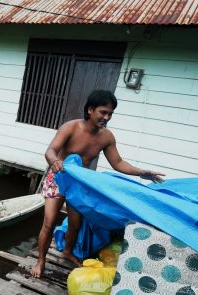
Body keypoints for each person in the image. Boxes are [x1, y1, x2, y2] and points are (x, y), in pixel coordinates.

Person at [31, 90, 165, 278]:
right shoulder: (71, 127)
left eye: (110, 114)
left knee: (75, 225)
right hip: (59, 178)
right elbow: (50, 150)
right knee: (49, 222)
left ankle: (67, 251)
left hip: (80, 184)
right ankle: (40, 260)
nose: (106, 117)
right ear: (90, 110)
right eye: (103, 112)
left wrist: (141, 172)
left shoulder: (107, 137)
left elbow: (118, 163)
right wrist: (54, 161)